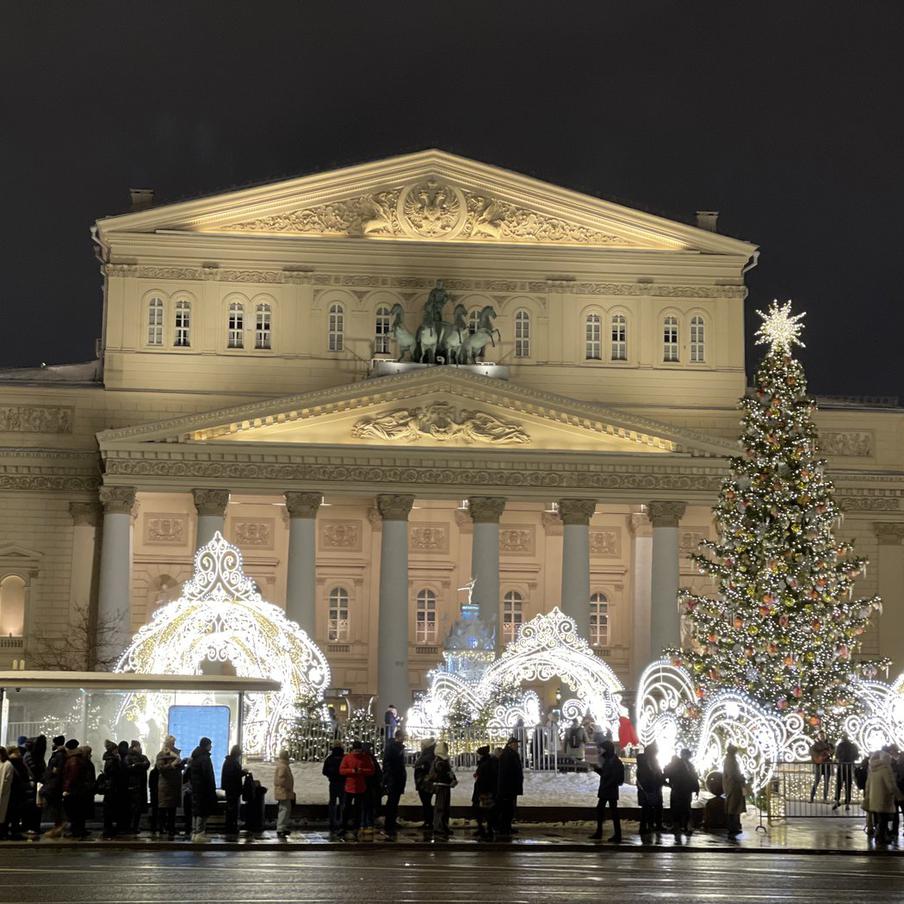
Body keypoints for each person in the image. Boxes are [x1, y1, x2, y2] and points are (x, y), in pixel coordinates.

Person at [589, 739, 624, 842]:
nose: (601, 751)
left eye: (603, 749)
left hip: (609, 789)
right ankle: (606, 833)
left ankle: (615, 834)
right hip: (607, 789)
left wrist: (607, 784)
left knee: (611, 811)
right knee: (607, 810)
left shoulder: (614, 761)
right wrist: (597, 769)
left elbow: (613, 777)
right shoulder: (609, 760)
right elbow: (606, 774)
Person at [339, 740, 374, 840]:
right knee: (351, 808)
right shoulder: (361, 758)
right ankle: (350, 826)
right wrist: (356, 771)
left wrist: (357, 771)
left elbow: (371, 770)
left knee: (352, 808)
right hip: (356, 787)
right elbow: (341, 770)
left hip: (355, 786)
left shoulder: (349, 757)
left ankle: (350, 827)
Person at [865, 750, 899, 844]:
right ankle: (881, 838)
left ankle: (879, 836)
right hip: (884, 797)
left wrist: (867, 797)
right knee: (884, 819)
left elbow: (868, 784)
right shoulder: (885, 769)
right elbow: (890, 785)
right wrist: (898, 795)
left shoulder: (872, 768)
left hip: (874, 798)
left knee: (880, 818)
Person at [664, 749, 699, 838]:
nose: (688, 757)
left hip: (685, 790)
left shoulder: (689, 765)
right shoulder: (676, 764)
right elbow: (666, 772)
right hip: (678, 789)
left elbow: (694, 777)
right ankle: (678, 827)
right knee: (678, 808)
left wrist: (696, 788)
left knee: (685, 808)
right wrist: (668, 783)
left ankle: (684, 827)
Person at [188, 737, 217, 842]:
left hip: (196, 788)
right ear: (206, 745)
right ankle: (200, 833)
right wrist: (211, 789)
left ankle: (195, 833)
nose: (211, 746)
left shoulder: (195, 757)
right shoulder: (204, 758)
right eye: (210, 744)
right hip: (204, 789)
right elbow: (208, 775)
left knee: (196, 811)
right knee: (202, 811)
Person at [496, 736, 524, 840]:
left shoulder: (511, 754)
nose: (517, 745)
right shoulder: (508, 755)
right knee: (507, 809)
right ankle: (504, 828)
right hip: (508, 788)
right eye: (516, 743)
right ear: (510, 744)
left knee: (509, 809)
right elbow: (506, 773)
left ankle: (507, 827)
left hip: (510, 787)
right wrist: (506, 787)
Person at [428, 741, 457, 840]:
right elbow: (443, 774)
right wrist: (451, 779)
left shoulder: (443, 760)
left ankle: (443, 826)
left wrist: (452, 779)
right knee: (440, 807)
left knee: (445, 808)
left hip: (445, 786)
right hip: (441, 786)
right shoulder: (440, 761)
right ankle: (438, 827)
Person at [41, 735, 68, 838]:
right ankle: (58, 826)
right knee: (55, 805)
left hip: (54, 785)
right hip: (54, 784)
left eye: (53, 743)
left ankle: (59, 825)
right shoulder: (58, 754)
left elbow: (57, 770)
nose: (52, 744)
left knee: (55, 805)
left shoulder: (59, 755)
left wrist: (51, 775)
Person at [155, 737, 182, 841]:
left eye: (174, 743)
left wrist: (180, 765)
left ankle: (171, 828)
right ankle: (161, 828)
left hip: (174, 785)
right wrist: (172, 765)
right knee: (163, 808)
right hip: (165, 785)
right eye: (172, 743)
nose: (173, 745)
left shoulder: (176, 754)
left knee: (172, 809)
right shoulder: (161, 754)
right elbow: (160, 768)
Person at [381, 731, 406, 840]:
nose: (404, 738)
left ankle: (391, 823)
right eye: (403, 736)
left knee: (394, 802)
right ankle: (389, 824)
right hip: (394, 779)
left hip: (397, 779)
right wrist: (390, 776)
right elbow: (388, 763)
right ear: (398, 737)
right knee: (392, 802)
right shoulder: (392, 748)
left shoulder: (398, 747)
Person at [636, 745, 665, 835]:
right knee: (647, 808)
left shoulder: (651, 761)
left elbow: (657, 773)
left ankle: (653, 825)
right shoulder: (645, 762)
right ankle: (645, 827)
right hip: (648, 788)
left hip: (654, 787)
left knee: (655, 807)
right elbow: (645, 776)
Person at [472, 745, 498, 840]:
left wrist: (480, 791)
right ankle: (486, 829)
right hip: (485, 790)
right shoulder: (488, 762)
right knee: (485, 810)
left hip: (483, 791)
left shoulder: (485, 764)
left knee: (483, 810)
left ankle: (486, 830)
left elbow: (484, 778)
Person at [723, 744, 748, 839]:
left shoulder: (730, 759)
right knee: (733, 807)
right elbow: (733, 774)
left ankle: (734, 826)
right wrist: (741, 778)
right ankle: (732, 826)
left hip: (733, 786)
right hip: (733, 786)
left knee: (733, 806)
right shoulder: (730, 760)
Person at [125, 741, 150, 835]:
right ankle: (132, 826)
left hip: (140, 785)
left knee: (138, 808)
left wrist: (137, 765)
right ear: (135, 747)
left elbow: (146, 764)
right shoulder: (129, 757)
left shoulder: (142, 757)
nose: (140, 748)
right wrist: (139, 765)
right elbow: (129, 768)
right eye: (139, 746)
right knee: (133, 808)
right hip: (133, 785)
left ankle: (135, 826)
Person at [221, 745, 246, 837]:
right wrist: (243, 773)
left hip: (230, 789)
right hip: (233, 789)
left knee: (231, 808)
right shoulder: (233, 762)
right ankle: (231, 827)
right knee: (233, 809)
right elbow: (235, 775)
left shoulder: (228, 761)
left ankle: (230, 826)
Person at [414, 737, 436, 832]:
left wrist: (420, 768)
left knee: (426, 803)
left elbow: (428, 768)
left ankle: (428, 822)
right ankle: (428, 821)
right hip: (423, 782)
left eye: (422, 745)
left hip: (424, 783)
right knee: (426, 803)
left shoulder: (428, 755)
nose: (421, 746)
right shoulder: (428, 754)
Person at [322, 744, 345, 838]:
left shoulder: (330, 759)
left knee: (332, 803)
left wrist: (330, 775)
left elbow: (324, 771)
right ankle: (342, 822)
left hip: (333, 783)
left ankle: (332, 822)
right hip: (343, 783)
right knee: (343, 803)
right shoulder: (344, 758)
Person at [361, 741, 383, 838]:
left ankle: (365, 823)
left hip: (366, 785)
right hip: (370, 785)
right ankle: (368, 823)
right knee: (368, 805)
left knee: (366, 805)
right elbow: (376, 772)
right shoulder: (369, 758)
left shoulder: (366, 757)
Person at [834, 734, 860, 811]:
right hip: (849, 766)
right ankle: (847, 803)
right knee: (848, 785)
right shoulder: (853, 746)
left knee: (839, 784)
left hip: (841, 766)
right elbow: (857, 756)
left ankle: (837, 800)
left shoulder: (840, 745)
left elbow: (837, 755)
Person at [273, 749, 295, 838]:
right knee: (284, 810)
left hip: (284, 791)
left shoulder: (283, 765)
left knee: (285, 809)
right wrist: (288, 787)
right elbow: (281, 779)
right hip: (284, 791)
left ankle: (283, 827)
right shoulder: (283, 766)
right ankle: (281, 828)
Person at [809, 734, 833, 803]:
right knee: (816, 782)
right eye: (821, 736)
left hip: (826, 766)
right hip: (819, 765)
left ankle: (825, 798)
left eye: (823, 736)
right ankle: (811, 797)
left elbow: (831, 752)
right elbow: (812, 752)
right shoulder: (816, 745)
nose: (822, 737)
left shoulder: (829, 745)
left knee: (826, 783)